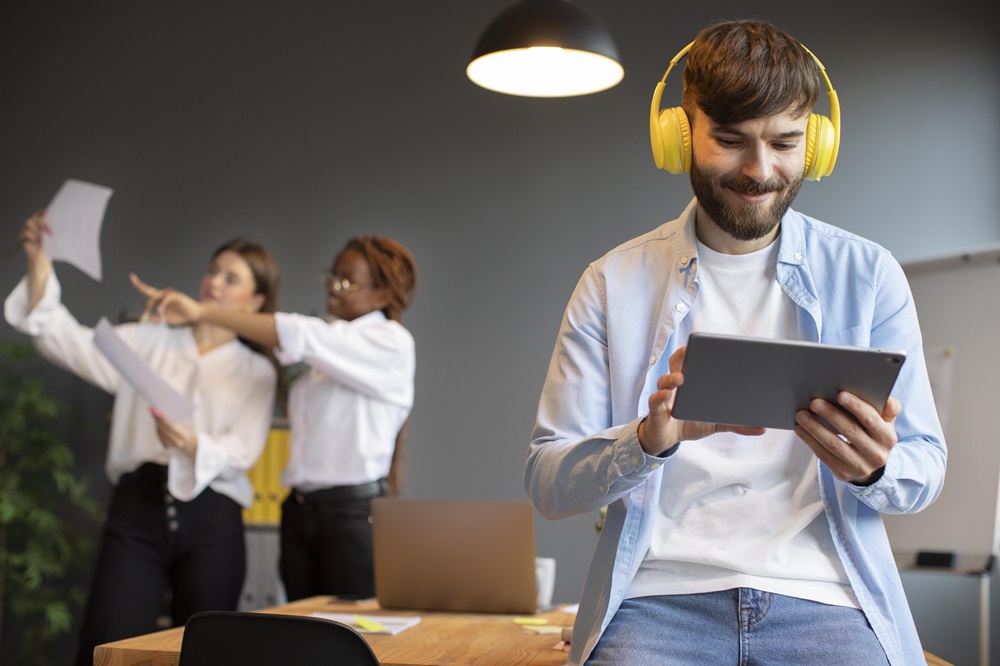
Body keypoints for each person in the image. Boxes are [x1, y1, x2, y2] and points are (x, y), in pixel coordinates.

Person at [524, 19, 946, 666]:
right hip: (656, 603)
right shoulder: (612, 282)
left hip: (827, 601)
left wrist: (878, 467)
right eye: (729, 140)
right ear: (676, 135)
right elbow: (550, 483)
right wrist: (648, 441)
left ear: (819, 143)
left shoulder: (867, 276)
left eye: (786, 143)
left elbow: (924, 469)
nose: (761, 170)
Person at [4, 211, 280, 666]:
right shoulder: (150, 341)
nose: (214, 282)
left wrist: (192, 443)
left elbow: (243, 451)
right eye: (213, 270)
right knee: (106, 646)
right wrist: (39, 261)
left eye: (232, 279)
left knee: (209, 651)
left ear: (256, 301)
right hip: (138, 510)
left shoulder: (257, 372)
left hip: (215, 520)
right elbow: (61, 338)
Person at [131, 235, 417, 601]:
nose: (333, 287)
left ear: (380, 296)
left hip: (350, 515)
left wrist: (202, 312)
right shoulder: (326, 352)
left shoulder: (389, 343)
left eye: (347, 282)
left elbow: (296, 333)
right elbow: (289, 342)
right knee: (301, 634)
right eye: (332, 276)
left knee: (352, 636)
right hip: (300, 511)